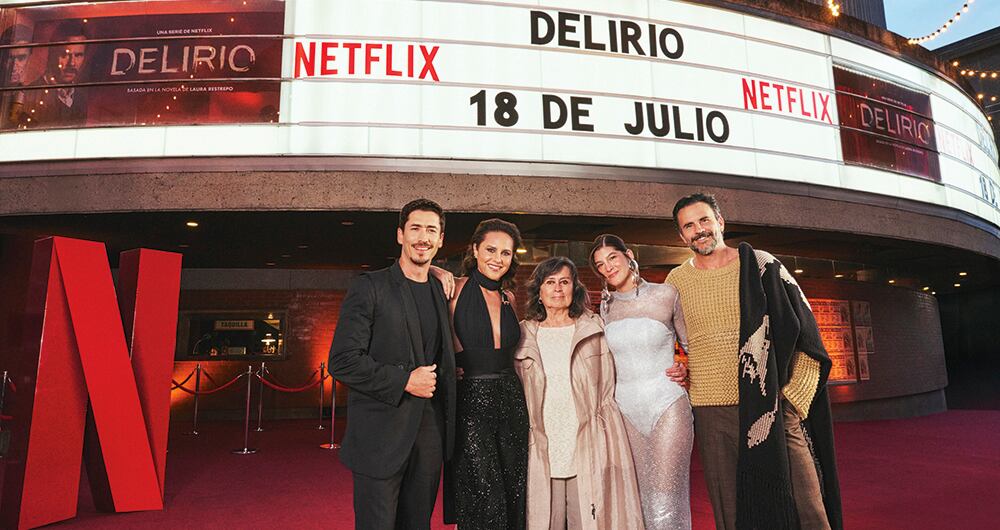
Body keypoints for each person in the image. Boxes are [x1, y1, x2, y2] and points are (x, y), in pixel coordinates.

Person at [666, 192, 842, 530]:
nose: (699, 230)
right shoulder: (676, 281)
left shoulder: (762, 265)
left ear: (720, 221)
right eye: (689, 226)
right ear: (681, 236)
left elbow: (810, 340)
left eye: (704, 220)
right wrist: (684, 370)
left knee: (807, 508)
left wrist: (793, 402)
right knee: (732, 514)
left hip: (771, 405)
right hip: (711, 411)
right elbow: (684, 342)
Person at [329, 198, 456, 530]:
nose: (423, 237)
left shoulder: (440, 290)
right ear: (400, 235)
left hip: (428, 438)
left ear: (441, 239)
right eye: (415, 228)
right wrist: (404, 380)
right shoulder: (370, 287)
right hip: (380, 438)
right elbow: (342, 361)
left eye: (431, 230)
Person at [515, 257, 644, 530]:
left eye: (564, 282)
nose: (558, 289)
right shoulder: (523, 336)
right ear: (538, 291)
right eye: (549, 282)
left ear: (575, 288)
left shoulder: (594, 329)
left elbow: (624, 370)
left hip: (587, 441)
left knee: (587, 521)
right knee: (544, 522)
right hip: (541, 443)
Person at [589, 234, 692, 530]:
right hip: (625, 413)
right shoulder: (605, 308)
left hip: (667, 406)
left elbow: (690, 346)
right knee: (636, 496)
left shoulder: (666, 294)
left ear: (628, 254)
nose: (607, 267)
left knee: (666, 496)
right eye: (600, 265)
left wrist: (686, 368)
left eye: (612, 258)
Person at [443, 218, 528, 530]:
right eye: (491, 249)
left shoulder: (510, 299)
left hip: (511, 400)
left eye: (506, 253)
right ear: (475, 250)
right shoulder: (453, 289)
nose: (498, 258)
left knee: (513, 488)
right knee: (482, 490)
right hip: (470, 402)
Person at [25, 20, 89, 127]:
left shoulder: (80, 99)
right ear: (52, 53)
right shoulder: (31, 95)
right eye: (64, 55)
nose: (72, 63)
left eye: (78, 55)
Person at [0, 24, 33, 129]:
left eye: (21, 58)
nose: (14, 66)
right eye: (9, 58)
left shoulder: (33, 97)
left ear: (29, 59)